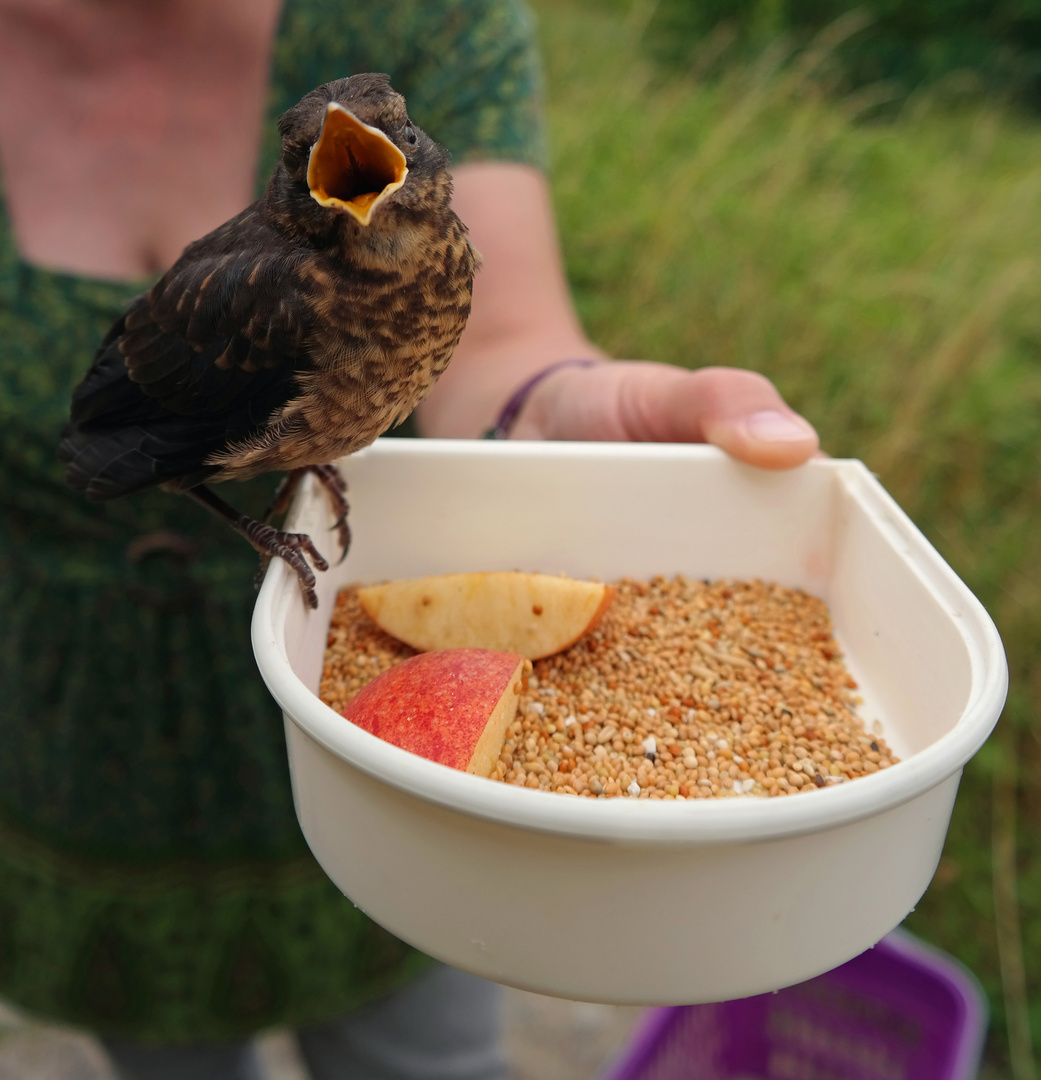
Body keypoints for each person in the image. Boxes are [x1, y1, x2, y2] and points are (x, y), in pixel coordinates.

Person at [0, 0, 819, 1077]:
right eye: (313, 161)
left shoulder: (438, 74)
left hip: (372, 759)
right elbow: (145, 437)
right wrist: (259, 526)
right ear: (297, 189)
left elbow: (515, 344)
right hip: (80, 731)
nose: (350, 152)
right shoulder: (283, 297)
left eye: (388, 135)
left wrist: (545, 402)